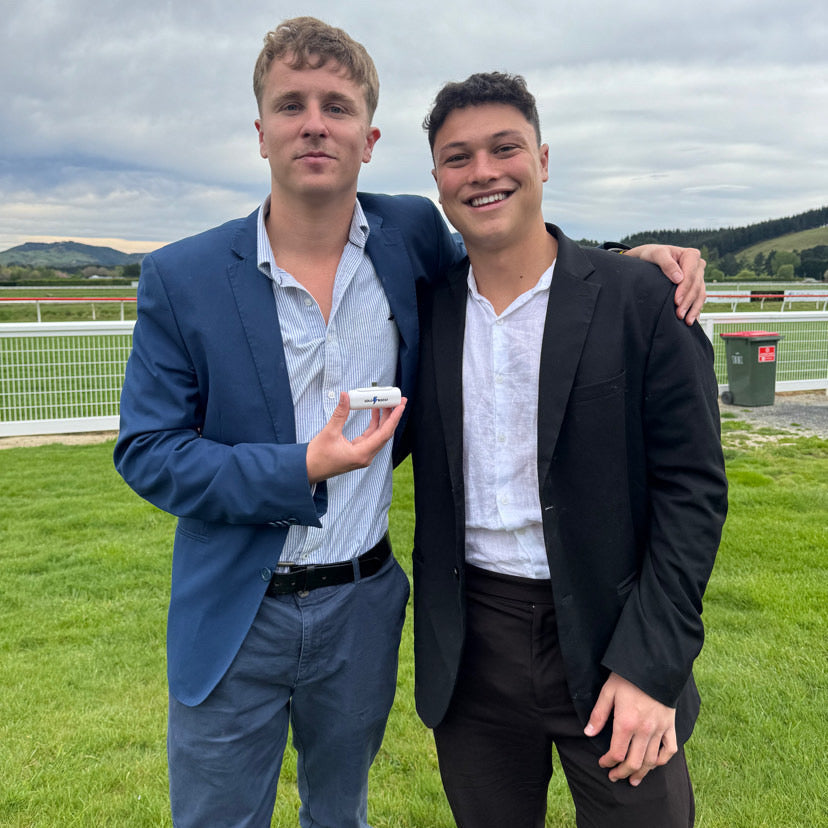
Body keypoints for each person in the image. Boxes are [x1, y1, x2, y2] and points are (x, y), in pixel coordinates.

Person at [114, 17, 709, 828]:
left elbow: (520, 255)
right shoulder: (183, 276)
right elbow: (148, 451)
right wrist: (302, 467)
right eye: (291, 105)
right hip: (240, 615)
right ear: (260, 132)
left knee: (340, 814)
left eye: (337, 106)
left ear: (369, 138)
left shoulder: (410, 240)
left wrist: (628, 263)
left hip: (367, 607)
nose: (315, 124)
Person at [406, 72, 728, 828]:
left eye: (504, 148)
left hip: (611, 631)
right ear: (438, 180)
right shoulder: (426, 310)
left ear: (543, 160)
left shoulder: (642, 300)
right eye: (458, 157)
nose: (482, 171)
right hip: (472, 647)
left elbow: (693, 493)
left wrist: (650, 666)